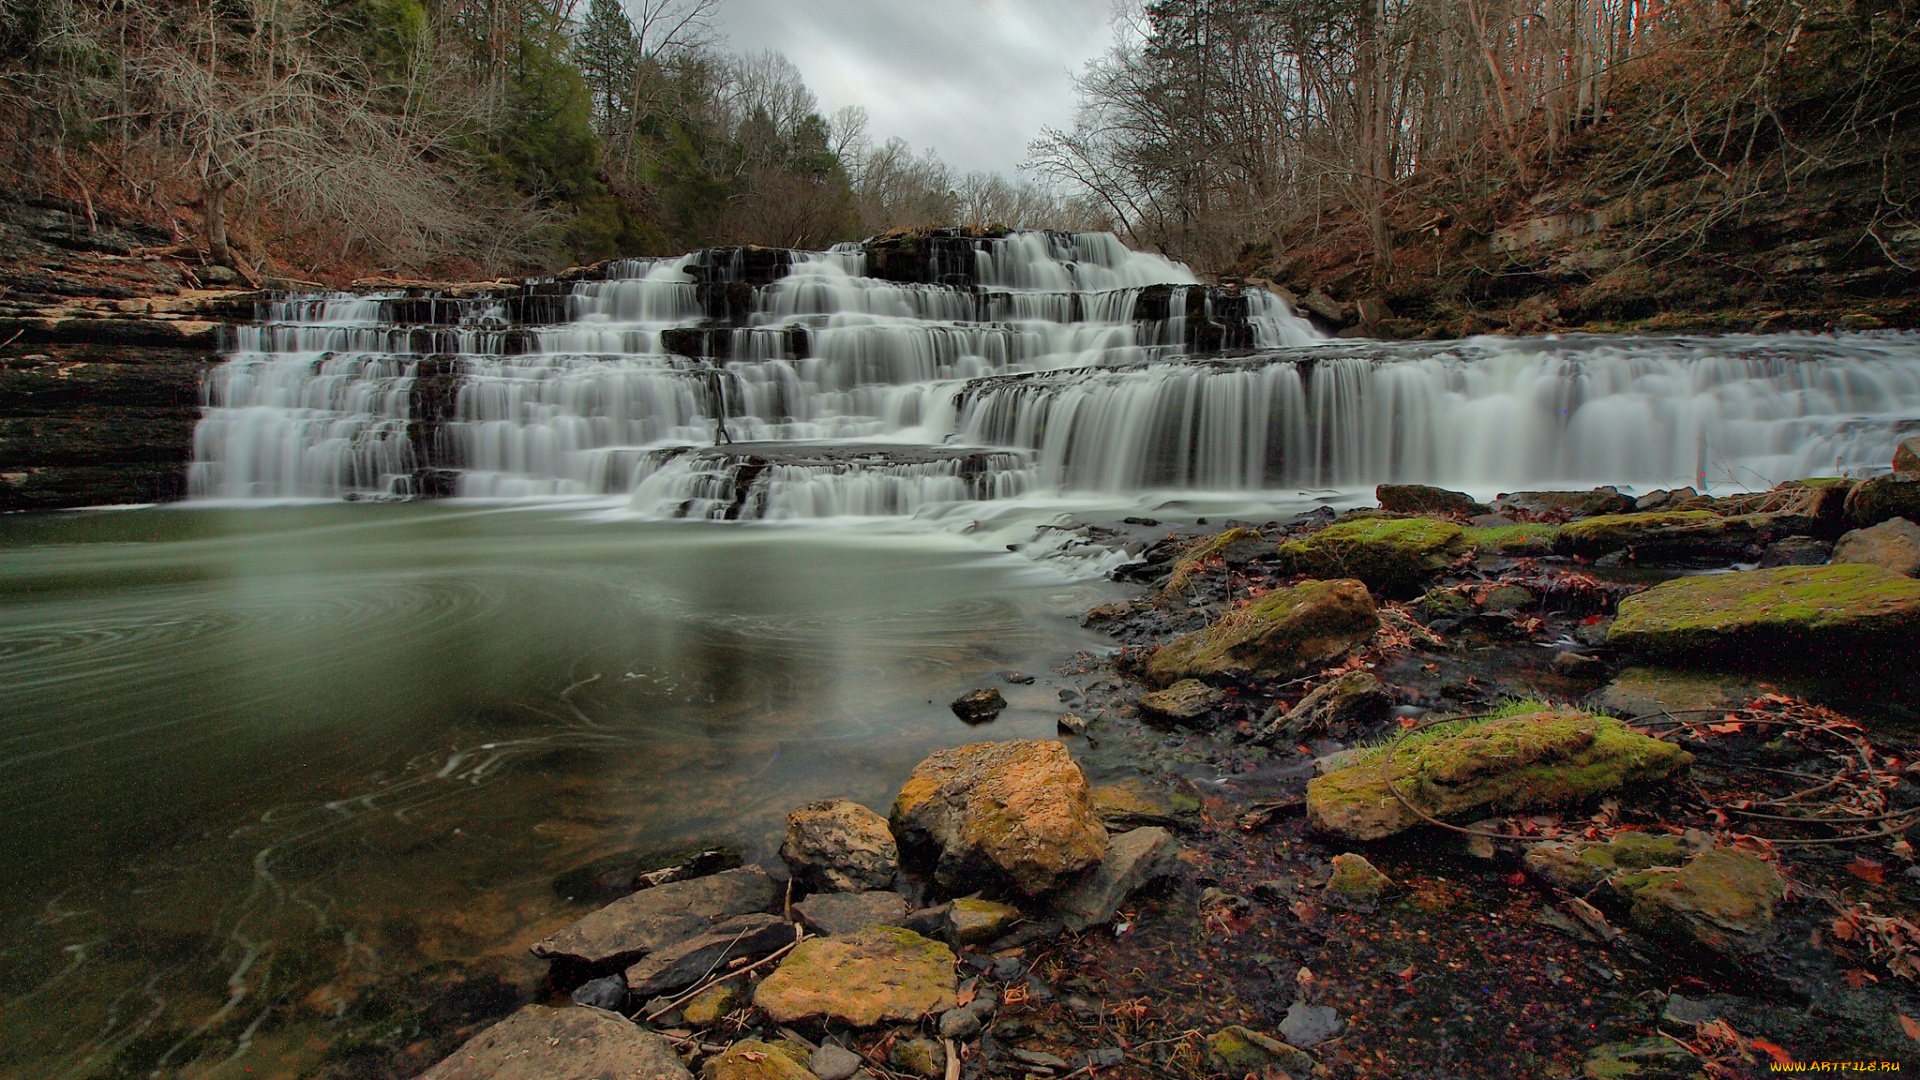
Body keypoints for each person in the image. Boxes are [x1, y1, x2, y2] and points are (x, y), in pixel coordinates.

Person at [704, 365, 732, 444]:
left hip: (718, 404)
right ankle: (723, 439)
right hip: (718, 403)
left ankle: (719, 440)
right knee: (720, 426)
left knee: (720, 427)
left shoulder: (714, 389)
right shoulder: (715, 389)